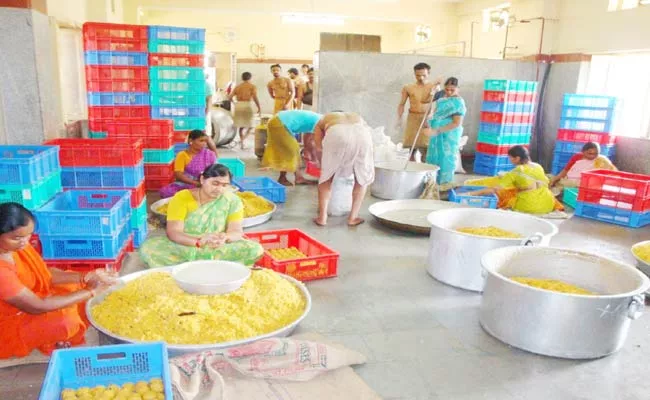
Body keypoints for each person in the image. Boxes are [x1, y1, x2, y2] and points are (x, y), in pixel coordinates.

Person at [0, 203, 116, 358]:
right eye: (17, 238)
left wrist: (87, 276)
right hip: (12, 322)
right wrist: (91, 291)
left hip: (34, 298)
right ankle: (50, 337)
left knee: (76, 286)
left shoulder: (18, 247)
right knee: (66, 321)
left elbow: (45, 274)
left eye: (29, 235)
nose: (25, 242)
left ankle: (53, 337)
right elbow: (37, 306)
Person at [139, 164, 264, 268]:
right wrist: (199, 242)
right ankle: (218, 266)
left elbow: (236, 231)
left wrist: (224, 238)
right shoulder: (182, 198)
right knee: (148, 248)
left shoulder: (232, 200)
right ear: (202, 180)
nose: (219, 189)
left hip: (217, 246)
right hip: (186, 245)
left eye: (224, 185)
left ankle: (192, 266)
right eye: (215, 183)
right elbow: (174, 233)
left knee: (255, 249)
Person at [312, 112, 375, 227]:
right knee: (361, 177)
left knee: (326, 178)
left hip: (337, 133)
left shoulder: (323, 120)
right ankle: (353, 217)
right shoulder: (357, 117)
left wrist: (323, 166)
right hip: (363, 134)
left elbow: (318, 147)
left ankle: (322, 218)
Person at [467, 146, 560, 214]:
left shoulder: (516, 171)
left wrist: (472, 194)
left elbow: (495, 189)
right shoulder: (538, 166)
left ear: (517, 158)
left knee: (503, 195)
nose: (510, 160)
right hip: (548, 203)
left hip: (529, 206)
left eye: (510, 158)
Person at [261, 110, 322, 186]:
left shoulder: (319, 119)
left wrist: (308, 151)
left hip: (275, 121)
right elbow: (310, 140)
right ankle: (298, 178)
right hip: (280, 123)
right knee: (293, 151)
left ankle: (283, 178)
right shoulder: (320, 122)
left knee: (285, 152)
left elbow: (308, 137)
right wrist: (314, 158)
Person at [424, 77, 466, 185]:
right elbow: (426, 100)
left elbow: (456, 123)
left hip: (448, 135)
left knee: (446, 158)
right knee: (434, 157)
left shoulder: (458, 103)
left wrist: (437, 131)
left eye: (452, 90)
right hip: (436, 133)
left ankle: (444, 185)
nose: (449, 92)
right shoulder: (442, 99)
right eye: (447, 89)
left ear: (458, 89)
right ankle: (431, 183)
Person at [398, 63, 443, 160]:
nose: (421, 77)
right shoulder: (408, 87)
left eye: (424, 75)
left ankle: (424, 172)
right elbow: (402, 104)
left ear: (429, 73)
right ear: (414, 74)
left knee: (426, 148)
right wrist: (399, 118)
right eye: (418, 75)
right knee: (411, 148)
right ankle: (412, 171)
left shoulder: (434, 87)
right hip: (412, 118)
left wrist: (432, 116)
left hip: (427, 119)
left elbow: (439, 104)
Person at [160, 130, 217, 199]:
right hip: (189, 183)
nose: (204, 144)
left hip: (206, 182)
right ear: (191, 141)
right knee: (167, 192)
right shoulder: (182, 155)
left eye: (205, 141)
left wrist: (206, 182)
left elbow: (216, 169)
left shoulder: (209, 154)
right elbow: (178, 175)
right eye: (201, 141)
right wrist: (196, 183)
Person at [549, 142, 617, 189]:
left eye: (596, 154)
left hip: (588, 184)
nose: (592, 156)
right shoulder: (577, 157)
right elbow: (566, 170)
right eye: (589, 153)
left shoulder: (601, 160)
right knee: (551, 179)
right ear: (583, 152)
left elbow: (612, 172)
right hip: (571, 180)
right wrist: (555, 179)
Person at [229, 72, 262, 149]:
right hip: (248, 105)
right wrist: (259, 107)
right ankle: (242, 140)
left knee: (241, 126)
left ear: (242, 78)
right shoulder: (252, 86)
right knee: (251, 126)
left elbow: (229, 97)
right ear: (250, 78)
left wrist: (234, 103)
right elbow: (255, 97)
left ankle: (242, 143)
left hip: (239, 105)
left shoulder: (238, 87)